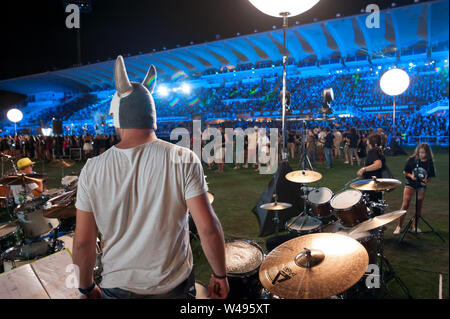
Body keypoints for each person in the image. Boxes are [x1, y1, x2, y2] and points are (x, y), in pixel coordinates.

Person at [73, 56, 229, 299]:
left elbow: (83, 243)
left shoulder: (92, 169)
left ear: (119, 117)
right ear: (152, 114)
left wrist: (85, 286)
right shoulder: (183, 158)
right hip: (173, 286)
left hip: (118, 287)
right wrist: (220, 275)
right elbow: (208, 228)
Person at [393, 143, 436, 234]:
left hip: (421, 185)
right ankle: (399, 226)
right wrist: (411, 176)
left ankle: (415, 226)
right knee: (405, 204)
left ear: (427, 153)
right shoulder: (413, 160)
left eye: (423, 153)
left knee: (418, 205)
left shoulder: (429, 162)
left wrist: (426, 181)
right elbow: (405, 171)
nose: (421, 154)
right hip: (410, 184)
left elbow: (430, 176)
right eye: (420, 152)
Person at [357, 133, 386, 216]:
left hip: (371, 185)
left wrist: (363, 169)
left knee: (361, 206)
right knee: (376, 209)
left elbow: (378, 164)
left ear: (370, 142)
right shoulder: (378, 151)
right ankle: (376, 226)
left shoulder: (372, 151)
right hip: (376, 184)